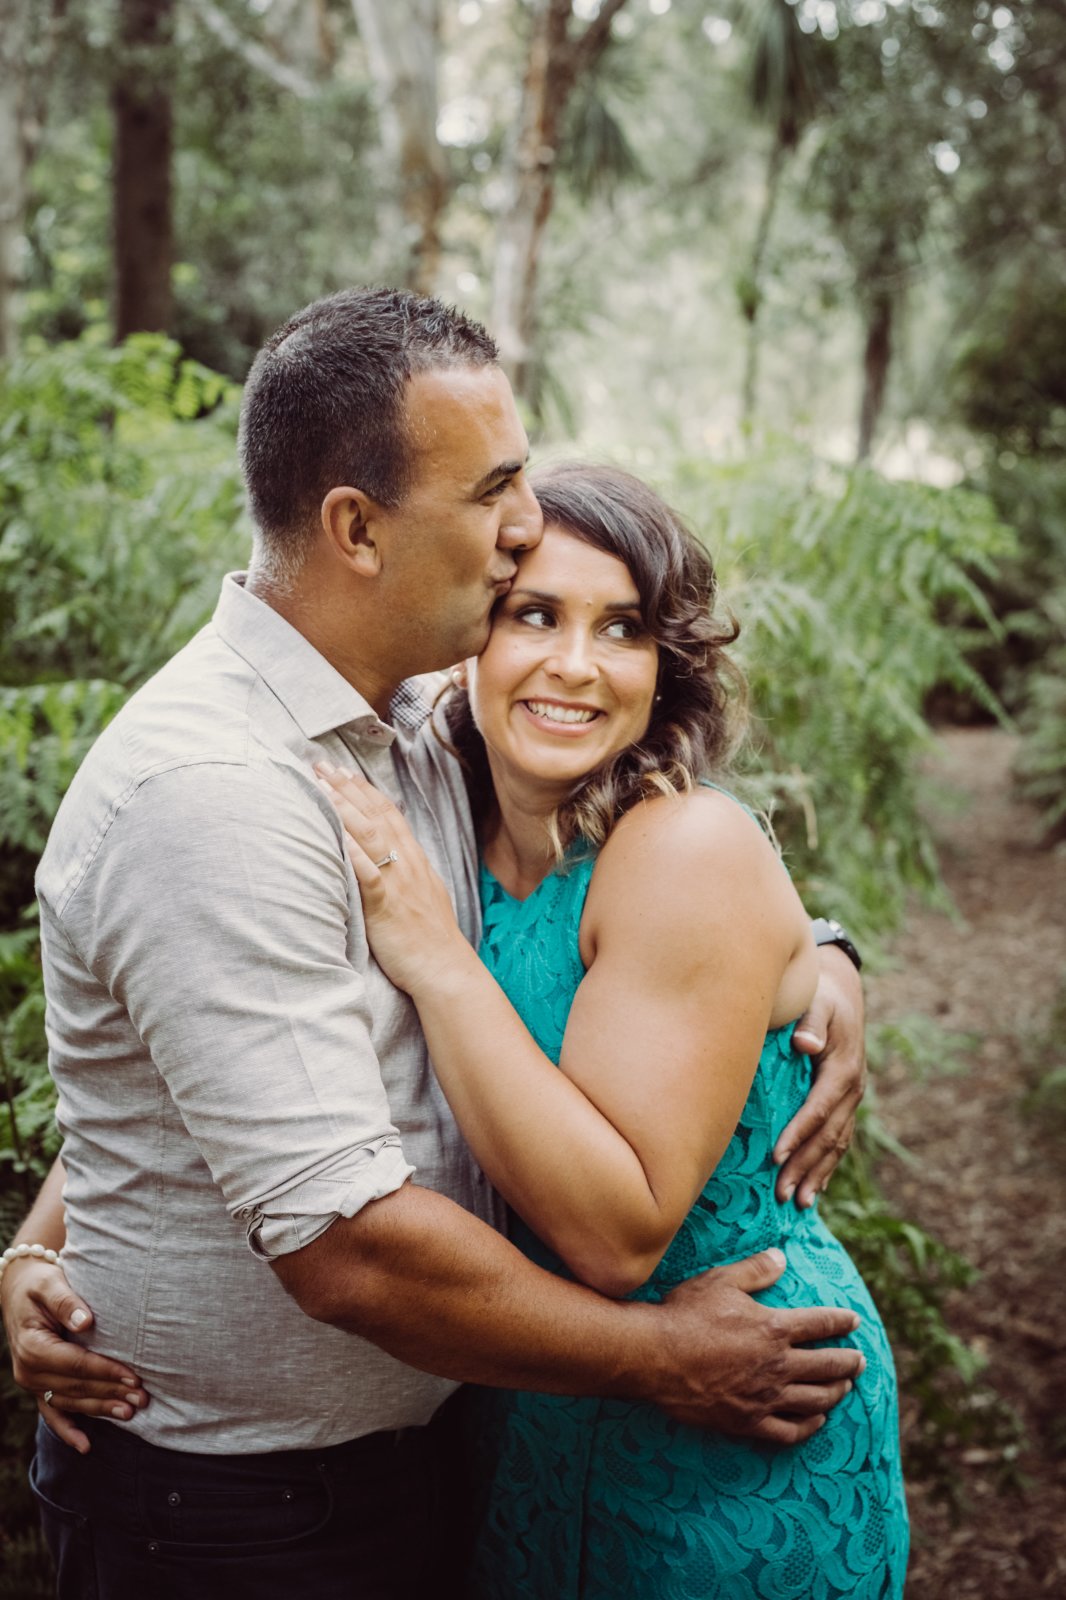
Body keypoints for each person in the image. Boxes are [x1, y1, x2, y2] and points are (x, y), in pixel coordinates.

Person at [0, 289, 867, 1600]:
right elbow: (342, 1242)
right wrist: (660, 1357)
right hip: (243, 1515)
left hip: (448, 1455)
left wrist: (818, 957)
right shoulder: (218, 791)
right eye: (495, 490)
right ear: (357, 528)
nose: (522, 526)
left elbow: (638, 887)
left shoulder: (412, 722)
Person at [314, 460, 908, 1599]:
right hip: (528, 1406)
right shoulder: (445, 815)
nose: (575, 664)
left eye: (623, 628)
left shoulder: (683, 847)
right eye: (534, 614)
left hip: (737, 1411)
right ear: (469, 638)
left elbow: (615, 1236)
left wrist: (434, 957)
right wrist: (43, 1249)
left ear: (663, 669)